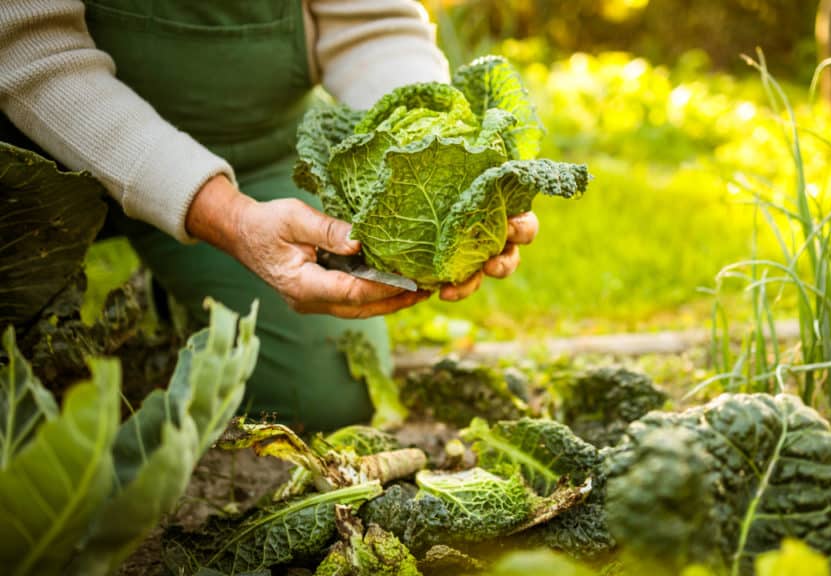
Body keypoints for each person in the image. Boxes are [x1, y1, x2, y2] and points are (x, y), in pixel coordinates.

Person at [0, 0, 538, 432]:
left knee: (329, 397)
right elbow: (28, 48)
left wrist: (453, 167)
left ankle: (175, 293)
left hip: (250, 155)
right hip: (37, 153)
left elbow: (374, 24)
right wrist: (226, 219)